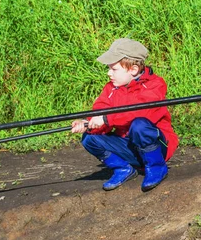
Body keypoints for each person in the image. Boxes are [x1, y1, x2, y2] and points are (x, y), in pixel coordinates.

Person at [71, 38, 178, 191]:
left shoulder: (155, 85)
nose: (109, 73)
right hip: (129, 146)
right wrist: (88, 124)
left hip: (158, 147)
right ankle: (124, 169)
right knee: (89, 139)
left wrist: (106, 119)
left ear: (133, 70)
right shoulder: (111, 89)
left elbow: (140, 112)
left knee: (139, 124)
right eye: (108, 69)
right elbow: (100, 113)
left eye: (113, 69)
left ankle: (156, 167)